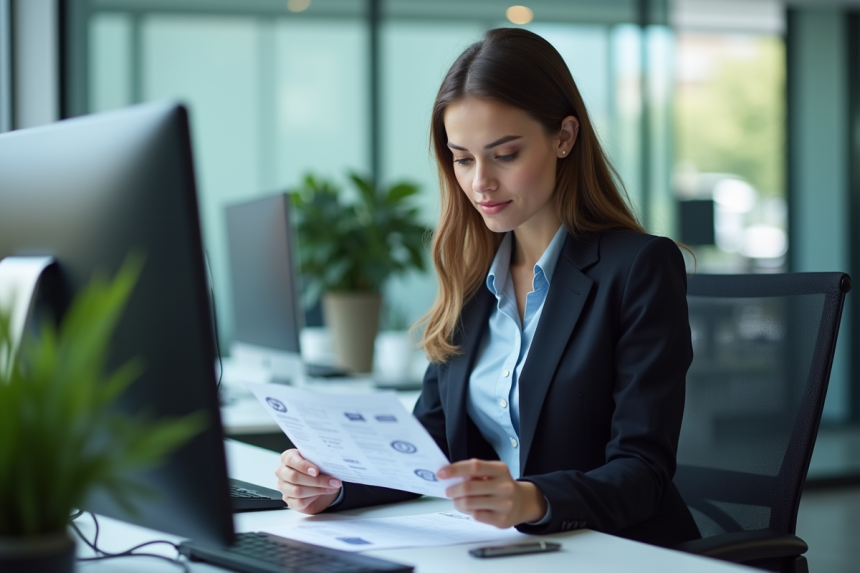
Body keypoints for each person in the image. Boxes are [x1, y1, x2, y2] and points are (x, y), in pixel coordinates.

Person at [275, 27, 701, 547]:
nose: (480, 182)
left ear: (564, 137)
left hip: (615, 549)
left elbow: (643, 472)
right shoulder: (472, 276)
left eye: (505, 154)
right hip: (508, 551)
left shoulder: (638, 267)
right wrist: (332, 486)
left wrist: (531, 500)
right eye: (463, 158)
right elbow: (431, 450)